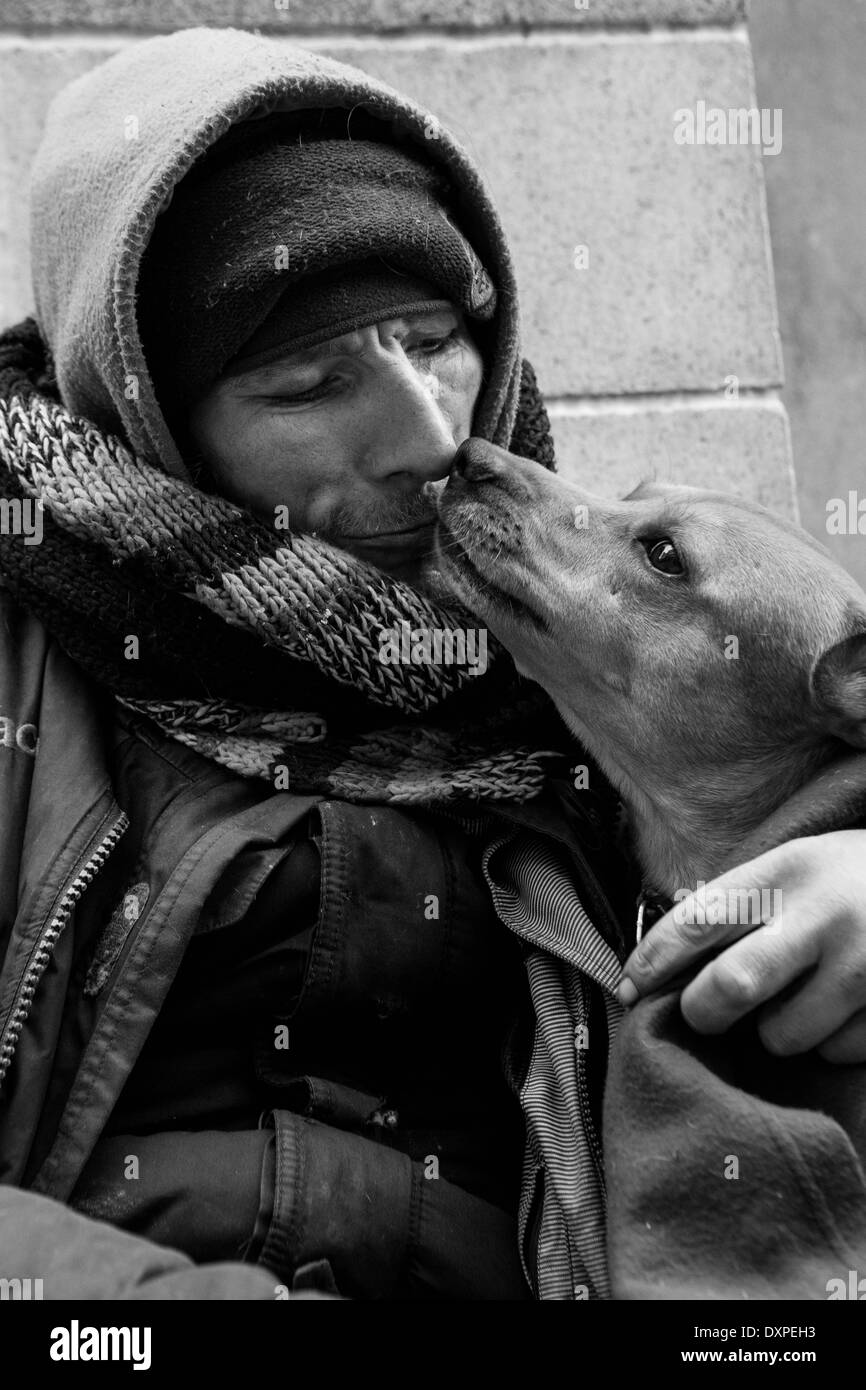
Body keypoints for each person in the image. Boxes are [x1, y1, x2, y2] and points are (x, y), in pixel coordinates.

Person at [1, 26, 866, 1303]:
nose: (429, 434)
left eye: (435, 335)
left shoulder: (588, 684)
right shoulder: (29, 664)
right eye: (306, 384)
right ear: (151, 417)